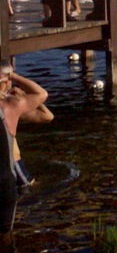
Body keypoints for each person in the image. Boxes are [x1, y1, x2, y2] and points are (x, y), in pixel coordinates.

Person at [0, 62, 48, 251]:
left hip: (7, 172)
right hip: (6, 174)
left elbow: (47, 116)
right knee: (5, 231)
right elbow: (42, 94)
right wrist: (13, 77)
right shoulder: (10, 105)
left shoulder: (10, 103)